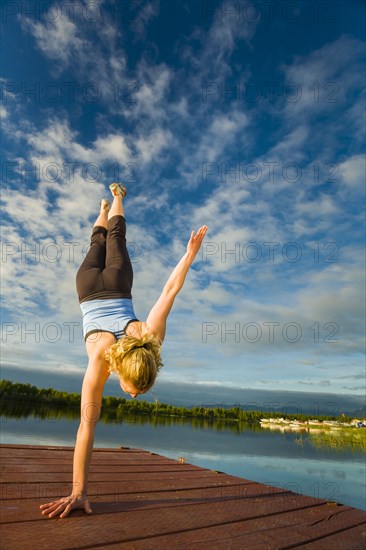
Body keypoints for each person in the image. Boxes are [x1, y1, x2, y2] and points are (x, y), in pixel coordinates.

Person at [39, 183, 208, 518]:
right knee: (97, 242)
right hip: (86, 287)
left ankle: (114, 200)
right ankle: (106, 205)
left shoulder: (149, 336)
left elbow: (169, 290)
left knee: (114, 238)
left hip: (117, 282)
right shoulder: (99, 364)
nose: (132, 396)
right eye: (134, 390)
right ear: (123, 371)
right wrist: (78, 492)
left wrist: (190, 255)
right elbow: (86, 426)